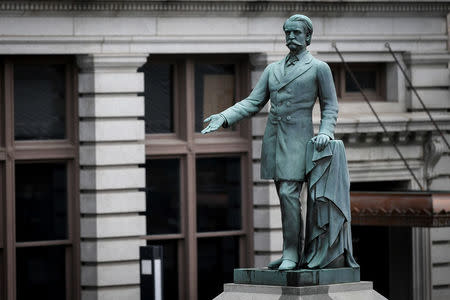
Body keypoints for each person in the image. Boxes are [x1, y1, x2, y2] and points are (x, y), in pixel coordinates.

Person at [202, 14, 338, 271]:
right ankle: (293, 252)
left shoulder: (319, 68)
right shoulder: (272, 69)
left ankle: (294, 252)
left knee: (291, 194)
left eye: (296, 33)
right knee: (285, 196)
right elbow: (253, 102)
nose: (291, 37)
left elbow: (330, 105)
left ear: (308, 36)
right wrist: (224, 116)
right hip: (275, 140)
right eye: (287, 32)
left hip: (301, 141)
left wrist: (326, 132)